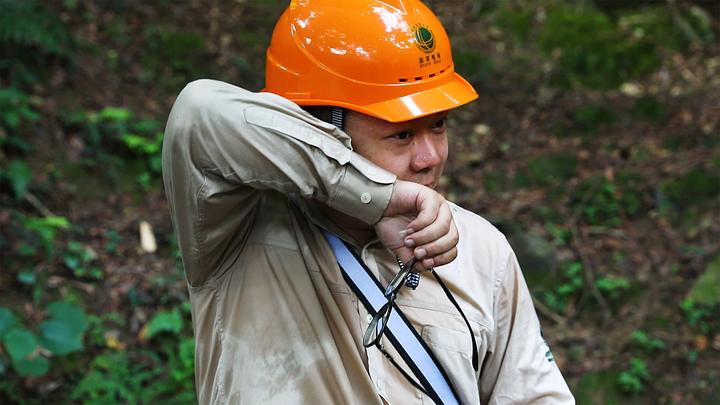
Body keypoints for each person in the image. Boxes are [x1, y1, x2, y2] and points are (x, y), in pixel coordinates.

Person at [162, 0, 574, 403]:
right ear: (322, 129)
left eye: (439, 126)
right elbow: (198, 112)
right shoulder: (243, 227)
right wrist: (379, 198)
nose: (430, 158)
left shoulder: (481, 249)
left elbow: (536, 396)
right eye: (401, 134)